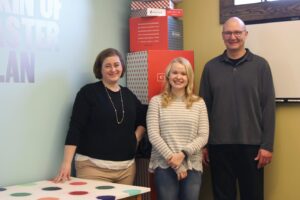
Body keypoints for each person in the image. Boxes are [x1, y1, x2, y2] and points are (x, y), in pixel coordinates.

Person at [199, 17, 276, 200]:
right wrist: (203, 144)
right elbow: (203, 109)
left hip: (252, 147)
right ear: (222, 35)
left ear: (245, 34)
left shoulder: (261, 66)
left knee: (253, 195)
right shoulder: (210, 68)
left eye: (237, 32)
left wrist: (267, 145)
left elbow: (268, 108)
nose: (232, 37)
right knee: (222, 196)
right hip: (218, 146)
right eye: (228, 32)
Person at [53, 48, 146, 185]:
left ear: (122, 67)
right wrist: (66, 163)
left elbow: (143, 118)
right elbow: (75, 128)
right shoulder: (88, 93)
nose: (113, 69)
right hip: (93, 168)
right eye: (107, 66)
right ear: (100, 69)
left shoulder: (128, 95)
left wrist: (136, 138)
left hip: (126, 169)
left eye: (116, 65)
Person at [147, 57, 209, 200]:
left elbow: (203, 136)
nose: (178, 77)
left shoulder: (199, 103)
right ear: (168, 75)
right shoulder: (156, 102)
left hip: (192, 165)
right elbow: (153, 135)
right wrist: (174, 161)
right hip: (164, 165)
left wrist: (182, 155)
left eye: (183, 73)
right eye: (175, 73)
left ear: (189, 77)